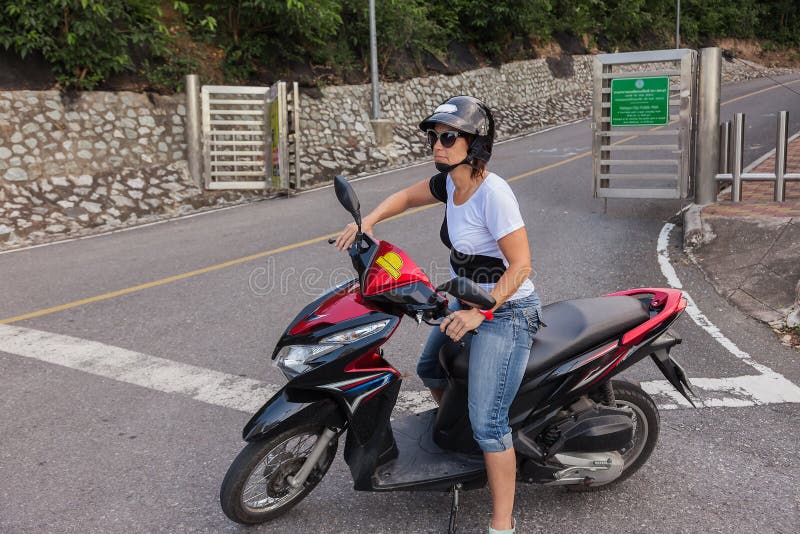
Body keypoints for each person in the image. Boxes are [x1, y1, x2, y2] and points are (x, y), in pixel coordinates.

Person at [335, 95, 542, 534]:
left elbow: (521, 265)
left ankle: (502, 524)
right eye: (434, 136)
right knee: (430, 367)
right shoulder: (450, 182)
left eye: (449, 137)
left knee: (490, 423)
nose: (438, 144)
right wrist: (367, 222)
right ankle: (457, 439)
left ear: (476, 144)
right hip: (465, 301)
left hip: (506, 313)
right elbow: (405, 196)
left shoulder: (493, 194)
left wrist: (481, 316)